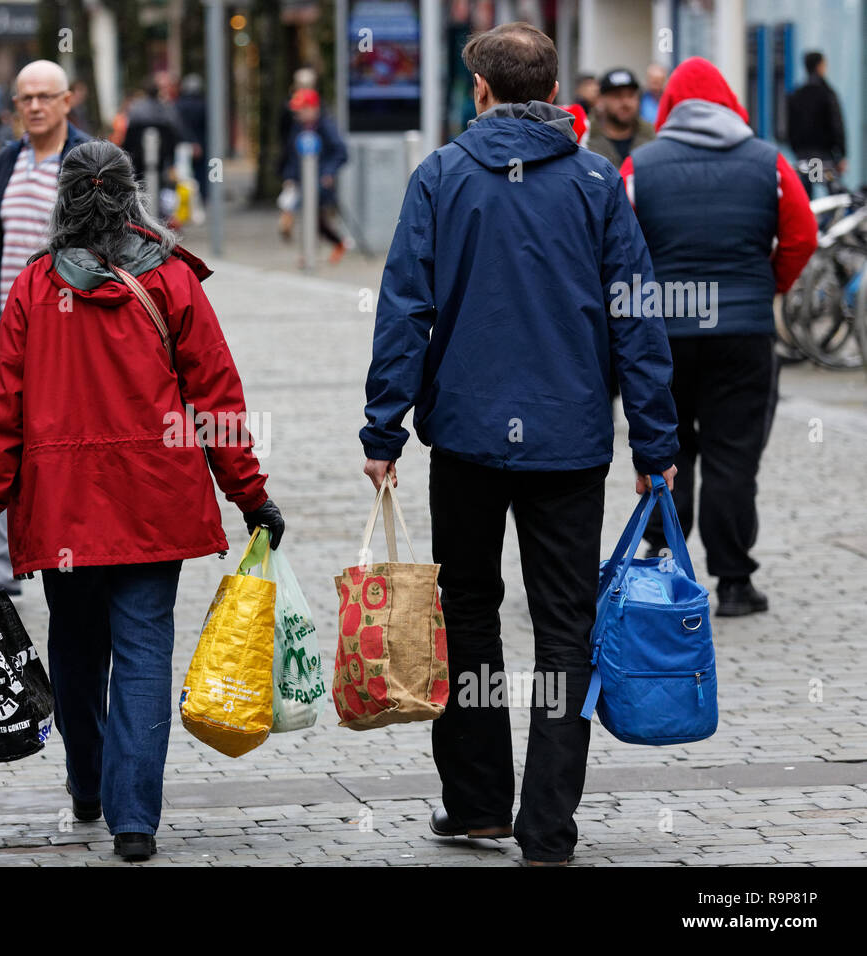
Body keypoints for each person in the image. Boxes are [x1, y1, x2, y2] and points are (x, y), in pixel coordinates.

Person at [360, 22, 678, 866]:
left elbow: (406, 312)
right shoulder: (597, 183)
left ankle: (476, 805)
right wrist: (655, 443)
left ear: (482, 91)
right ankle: (548, 826)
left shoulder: (440, 178)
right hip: (571, 440)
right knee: (566, 628)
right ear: (553, 91)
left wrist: (382, 427)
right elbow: (637, 317)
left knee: (468, 612)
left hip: (465, 436)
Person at [0, 140, 282, 863]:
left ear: (64, 197)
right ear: (133, 196)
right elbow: (218, 401)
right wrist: (251, 496)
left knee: (74, 646)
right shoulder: (172, 282)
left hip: (64, 505)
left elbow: (0, 414)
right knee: (143, 648)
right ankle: (135, 820)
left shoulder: (35, 288)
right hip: (156, 500)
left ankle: (87, 783)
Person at [621, 57, 817, 616]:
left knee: (667, 446)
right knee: (734, 456)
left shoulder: (640, 166)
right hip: (744, 335)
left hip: (666, 335)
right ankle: (733, 582)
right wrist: (766, 287)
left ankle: (664, 563)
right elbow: (803, 235)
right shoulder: (769, 163)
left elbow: (614, 248)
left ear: (672, 106)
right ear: (731, 102)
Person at [0, 61, 89, 595]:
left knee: (64, 443)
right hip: (5, 323)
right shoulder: (5, 162)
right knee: (2, 440)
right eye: (26, 98)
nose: (36, 106)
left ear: (68, 101)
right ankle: (2, 567)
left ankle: (72, 549)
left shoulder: (89, 161)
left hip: (67, 329)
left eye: (46, 96)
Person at [279, 87, 350, 263]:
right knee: (309, 216)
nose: (298, 114)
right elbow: (292, 154)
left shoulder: (326, 126)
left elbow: (341, 152)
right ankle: (315, 249)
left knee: (314, 218)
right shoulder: (298, 128)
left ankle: (328, 246)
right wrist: (289, 176)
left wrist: (328, 172)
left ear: (313, 108)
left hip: (320, 182)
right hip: (302, 181)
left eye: (302, 109)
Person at [787, 51, 847, 197]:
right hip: (821, 159)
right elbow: (836, 126)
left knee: (806, 199)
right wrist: (842, 155)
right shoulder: (826, 93)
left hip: (802, 158)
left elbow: (789, 127)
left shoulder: (797, 94)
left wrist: (797, 150)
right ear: (820, 66)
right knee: (837, 196)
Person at [584, 68, 655, 168]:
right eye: (617, 96)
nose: (626, 103)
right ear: (601, 99)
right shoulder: (585, 137)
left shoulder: (652, 136)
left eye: (631, 95)